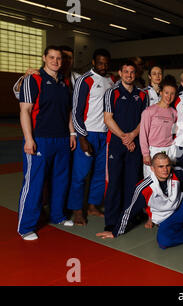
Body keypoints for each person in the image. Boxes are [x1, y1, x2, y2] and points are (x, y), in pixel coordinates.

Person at [96, 153, 183, 249]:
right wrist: (115, 232)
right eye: (160, 166)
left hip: (181, 210)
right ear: (153, 168)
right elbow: (129, 211)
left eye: (167, 165)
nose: (165, 170)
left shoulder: (175, 172)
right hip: (165, 220)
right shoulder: (144, 188)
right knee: (163, 241)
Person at [17, 45, 77, 240]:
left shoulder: (65, 83)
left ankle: (58, 215)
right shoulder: (33, 79)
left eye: (58, 58)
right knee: (34, 183)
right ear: (44, 58)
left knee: (60, 180)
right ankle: (25, 227)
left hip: (61, 139)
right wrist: (28, 139)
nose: (55, 61)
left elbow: (68, 111)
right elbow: (25, 111)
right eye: (51, 57)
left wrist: (72, 133)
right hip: (40, 139)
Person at [68, 48, 115, 225]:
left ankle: (93, 205)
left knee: (100, 173)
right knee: (80, 175)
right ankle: (78, 210)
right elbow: (76, 112)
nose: (103, 66)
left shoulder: (111, 80)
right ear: (93, 62)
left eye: (106, 63)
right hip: (88, 133)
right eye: (100, 62)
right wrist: (82, 137)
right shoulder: (84, 80)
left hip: (106, 134)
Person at [103, 60, 148, 232]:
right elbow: (108, 118)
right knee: (114, 183)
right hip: (116, 143)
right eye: (126, 72)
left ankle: (127, 217)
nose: (129, 75)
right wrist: (124, 137)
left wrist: (133, 136)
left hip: (135, 145)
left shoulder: (142, 95)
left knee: (131, 183)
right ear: (120, 73)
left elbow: (144, 121)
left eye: (132, 72)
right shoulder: (111, 93)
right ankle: (111, 219)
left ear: (135, 74)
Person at [140, 75, 178, 178]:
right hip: (153, 151)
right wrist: (145, 154)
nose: (169, 96)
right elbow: (143, 134)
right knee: (152, 181)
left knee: (169, 182)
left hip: (169, 151)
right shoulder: (149, 111)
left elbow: (175, 133)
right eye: (166, 93)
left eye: (172, 94)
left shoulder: (174, 113)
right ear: (161, 92)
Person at [13, 45, 81, 99]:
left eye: (70, 58)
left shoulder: (80, 78)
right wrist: (25, 77)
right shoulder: (39, 75)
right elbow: (19, 95)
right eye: (64, 57)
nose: (67, 61)